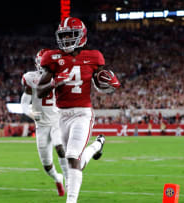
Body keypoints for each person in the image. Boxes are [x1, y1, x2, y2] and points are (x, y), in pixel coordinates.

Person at [36, 17, 120, 203]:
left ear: (81, 36)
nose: (66, 40)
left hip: (82, 113)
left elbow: (100, 81)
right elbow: (40, 91)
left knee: (73, 157)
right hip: (62, 115)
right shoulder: (51, 58)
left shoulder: (94, 57)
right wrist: (55, 82)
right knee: (74, 163)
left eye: (71, 35)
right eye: (63, 35)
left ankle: (71, 201)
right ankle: (97, 146)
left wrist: (109, 83)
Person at [20, 49, 68, 196]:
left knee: (59, 147)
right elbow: (24, 103)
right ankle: (58, 178)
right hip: (41, 125)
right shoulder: (30, 78)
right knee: (47, 165)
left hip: (56, 121)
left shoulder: (60, 76)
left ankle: (68, 179)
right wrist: (31, 113)